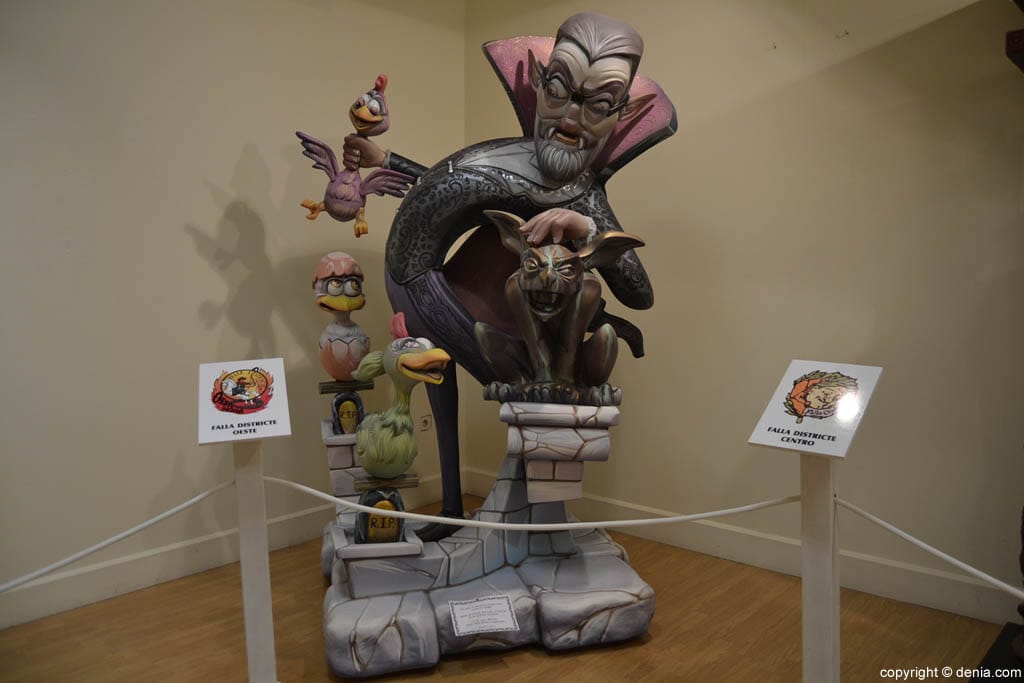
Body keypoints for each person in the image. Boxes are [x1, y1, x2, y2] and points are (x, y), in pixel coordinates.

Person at [342, 13, 674, 538]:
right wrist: (386, 159)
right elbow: (445, 184)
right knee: (446, 398)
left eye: (598, 104)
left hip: (447, 299)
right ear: (538, 82)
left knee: (532, 402)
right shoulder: (504, 155)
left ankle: (535, 525)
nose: (571, 116)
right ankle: (456, 509)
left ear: (623, 114)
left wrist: (586, 226)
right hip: (417, 285)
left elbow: (639, 290)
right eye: (559, 88)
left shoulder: (581, 193)